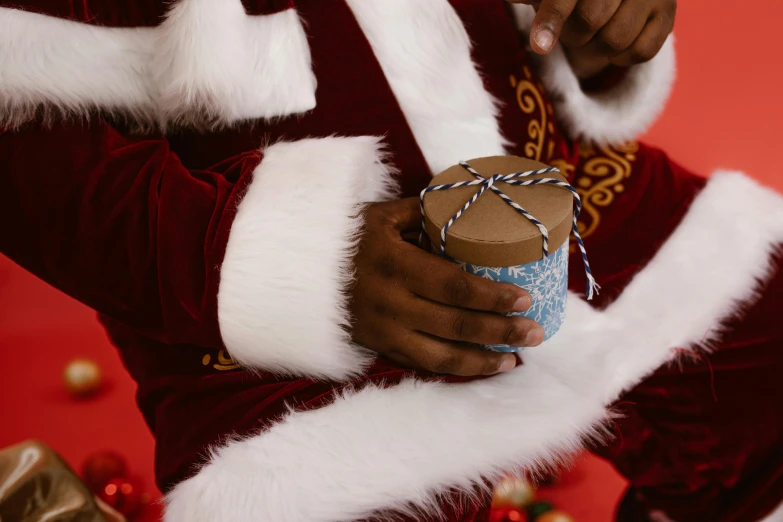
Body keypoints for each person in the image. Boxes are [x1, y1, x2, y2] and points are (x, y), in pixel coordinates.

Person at [1, 0, 782, 520]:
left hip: (549, 176)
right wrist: (278, 261)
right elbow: (31, 156)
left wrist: (600, 28)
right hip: (268, 319)